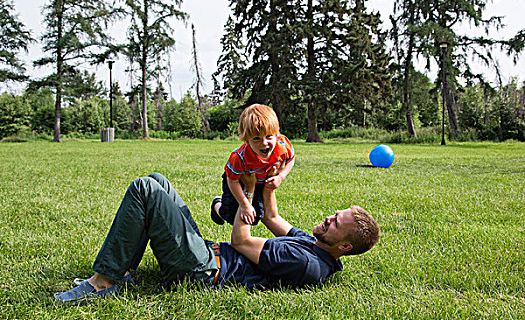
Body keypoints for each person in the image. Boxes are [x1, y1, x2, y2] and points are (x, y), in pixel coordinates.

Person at [54, 172, 379, 301]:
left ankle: (104, 283)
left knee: (146, 189)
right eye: (335, 214)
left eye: (336, 223)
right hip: (208, 253)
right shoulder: (317, 244)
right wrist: (268, 183)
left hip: (204, 269)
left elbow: (241, 240)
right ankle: (120, 271)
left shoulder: (306, 263)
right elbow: (275, 219)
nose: (328, 218)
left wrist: (245, 192)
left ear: (345, 246)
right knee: (159, 181)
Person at [211, 104, 295, 226]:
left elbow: (291, 160)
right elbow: (232, 181)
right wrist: (244, 204)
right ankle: (216, 204)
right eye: (256, 138)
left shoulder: (283, 145)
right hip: (238, 181)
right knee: (231, 216)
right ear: (246, 139)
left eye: (268, 136)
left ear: (276, 134)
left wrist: (280, 177)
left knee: (254, 218)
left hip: (260, 181)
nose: (264, 143)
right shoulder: (239, 158)